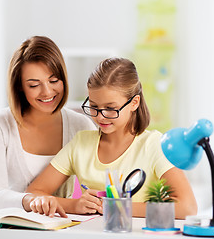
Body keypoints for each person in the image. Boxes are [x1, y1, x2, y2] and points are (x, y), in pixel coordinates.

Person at [24, 57, 197, 218]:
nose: (100, 116)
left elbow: (187, 207)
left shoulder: (153, 145)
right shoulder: (81, 143)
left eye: (110, 108)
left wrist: (117, 207)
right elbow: (34, 192)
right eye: (94, 107)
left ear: (134, 103)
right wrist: (74, 205)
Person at [0, 36, 96, 210]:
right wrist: (32, 201)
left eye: (54, 81)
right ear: (19, 86)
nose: (47, 92)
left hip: (67, 229)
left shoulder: (81, 126)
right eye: (34, 85)